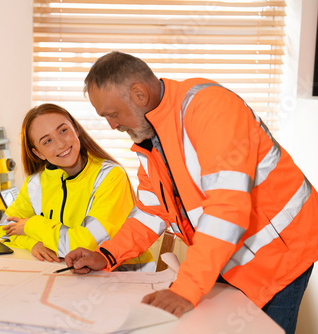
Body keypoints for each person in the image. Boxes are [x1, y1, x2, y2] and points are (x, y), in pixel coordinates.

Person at [65, 51, 318, 333]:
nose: (112, 125)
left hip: (281, 254)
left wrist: (188, 288)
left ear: (139, 94)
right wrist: (107, 255)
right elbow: (151, 211)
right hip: (227, 256)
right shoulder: (148, 138)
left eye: (112, 114)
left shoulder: (211, 107)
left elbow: (227, 209)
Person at [0, 103, 154, 270]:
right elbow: (2, 229)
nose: (60, 144)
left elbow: (82, 246)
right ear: (38, 153)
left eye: (63, 130)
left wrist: (31, 225)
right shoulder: (35, 183)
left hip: (125, 276)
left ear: (76, 129)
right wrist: (32, 243)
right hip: (73, 274)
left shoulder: (110, 176)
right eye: (47, 141)